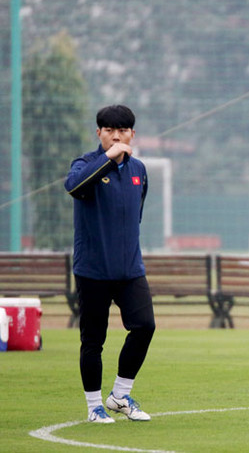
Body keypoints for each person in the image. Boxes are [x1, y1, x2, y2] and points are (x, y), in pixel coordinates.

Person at [65, 105, 155, 423]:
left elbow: (136, 215)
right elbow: (73, 187)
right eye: (108, 129)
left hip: (130, 269)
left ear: (132, 133)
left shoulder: (139, 170)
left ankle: (119, 396)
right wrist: (108, 158)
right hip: (93, 270)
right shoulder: (86, 165)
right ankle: (94, 407)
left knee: (145, 326)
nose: (116, 135)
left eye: (122, 130)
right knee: (93, 340)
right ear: (99, 133)